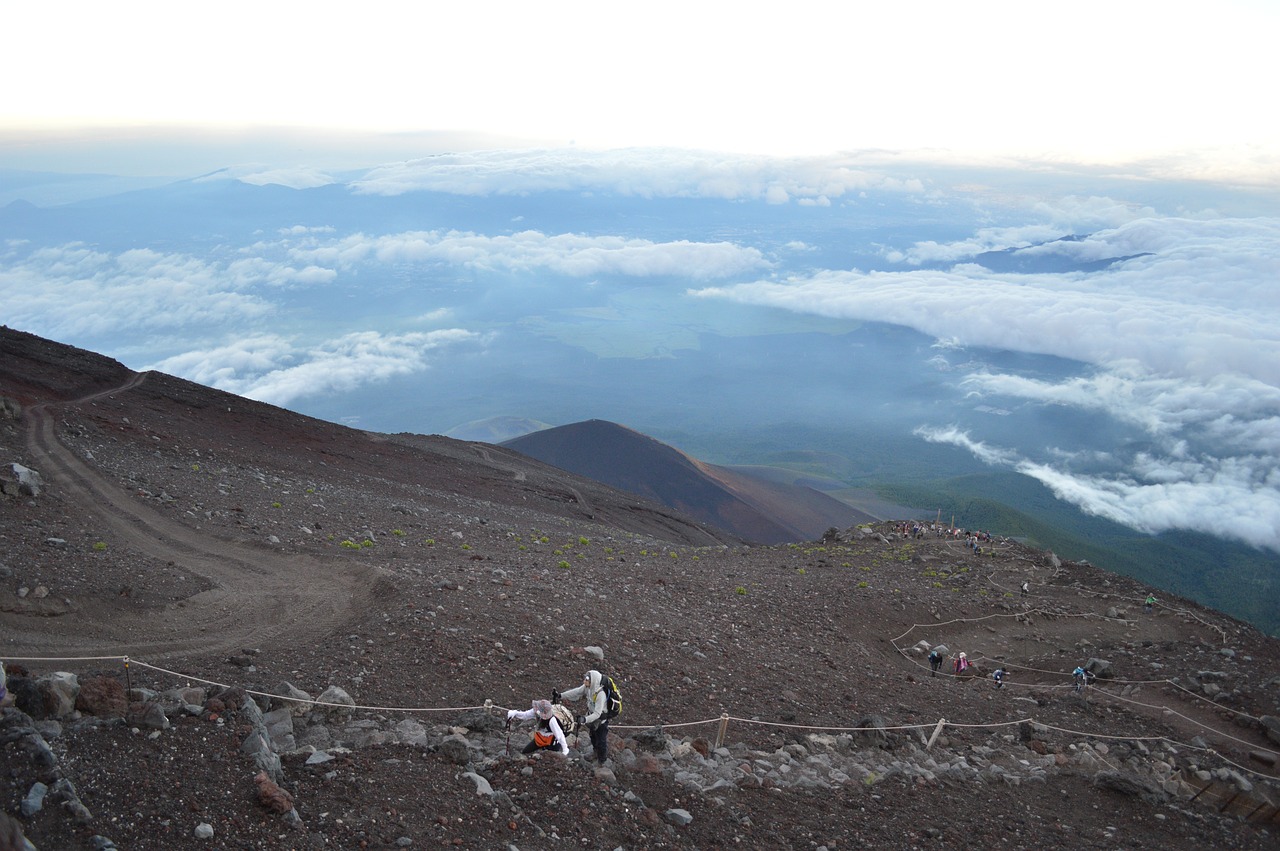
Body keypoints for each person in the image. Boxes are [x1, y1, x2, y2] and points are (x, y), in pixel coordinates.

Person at [558, 669, 611, 765]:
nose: (584, 681)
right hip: (591, 717)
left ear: (593, 680)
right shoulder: (588, 687)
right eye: (585, 678)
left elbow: (597, 714)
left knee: (601, 740)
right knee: (593, 736)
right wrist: (561, 695)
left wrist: (585, 719)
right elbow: (577, 692)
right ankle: (595, 752)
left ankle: (602, 761)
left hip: (600, 720)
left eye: (587, 679)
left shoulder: (600, 694)